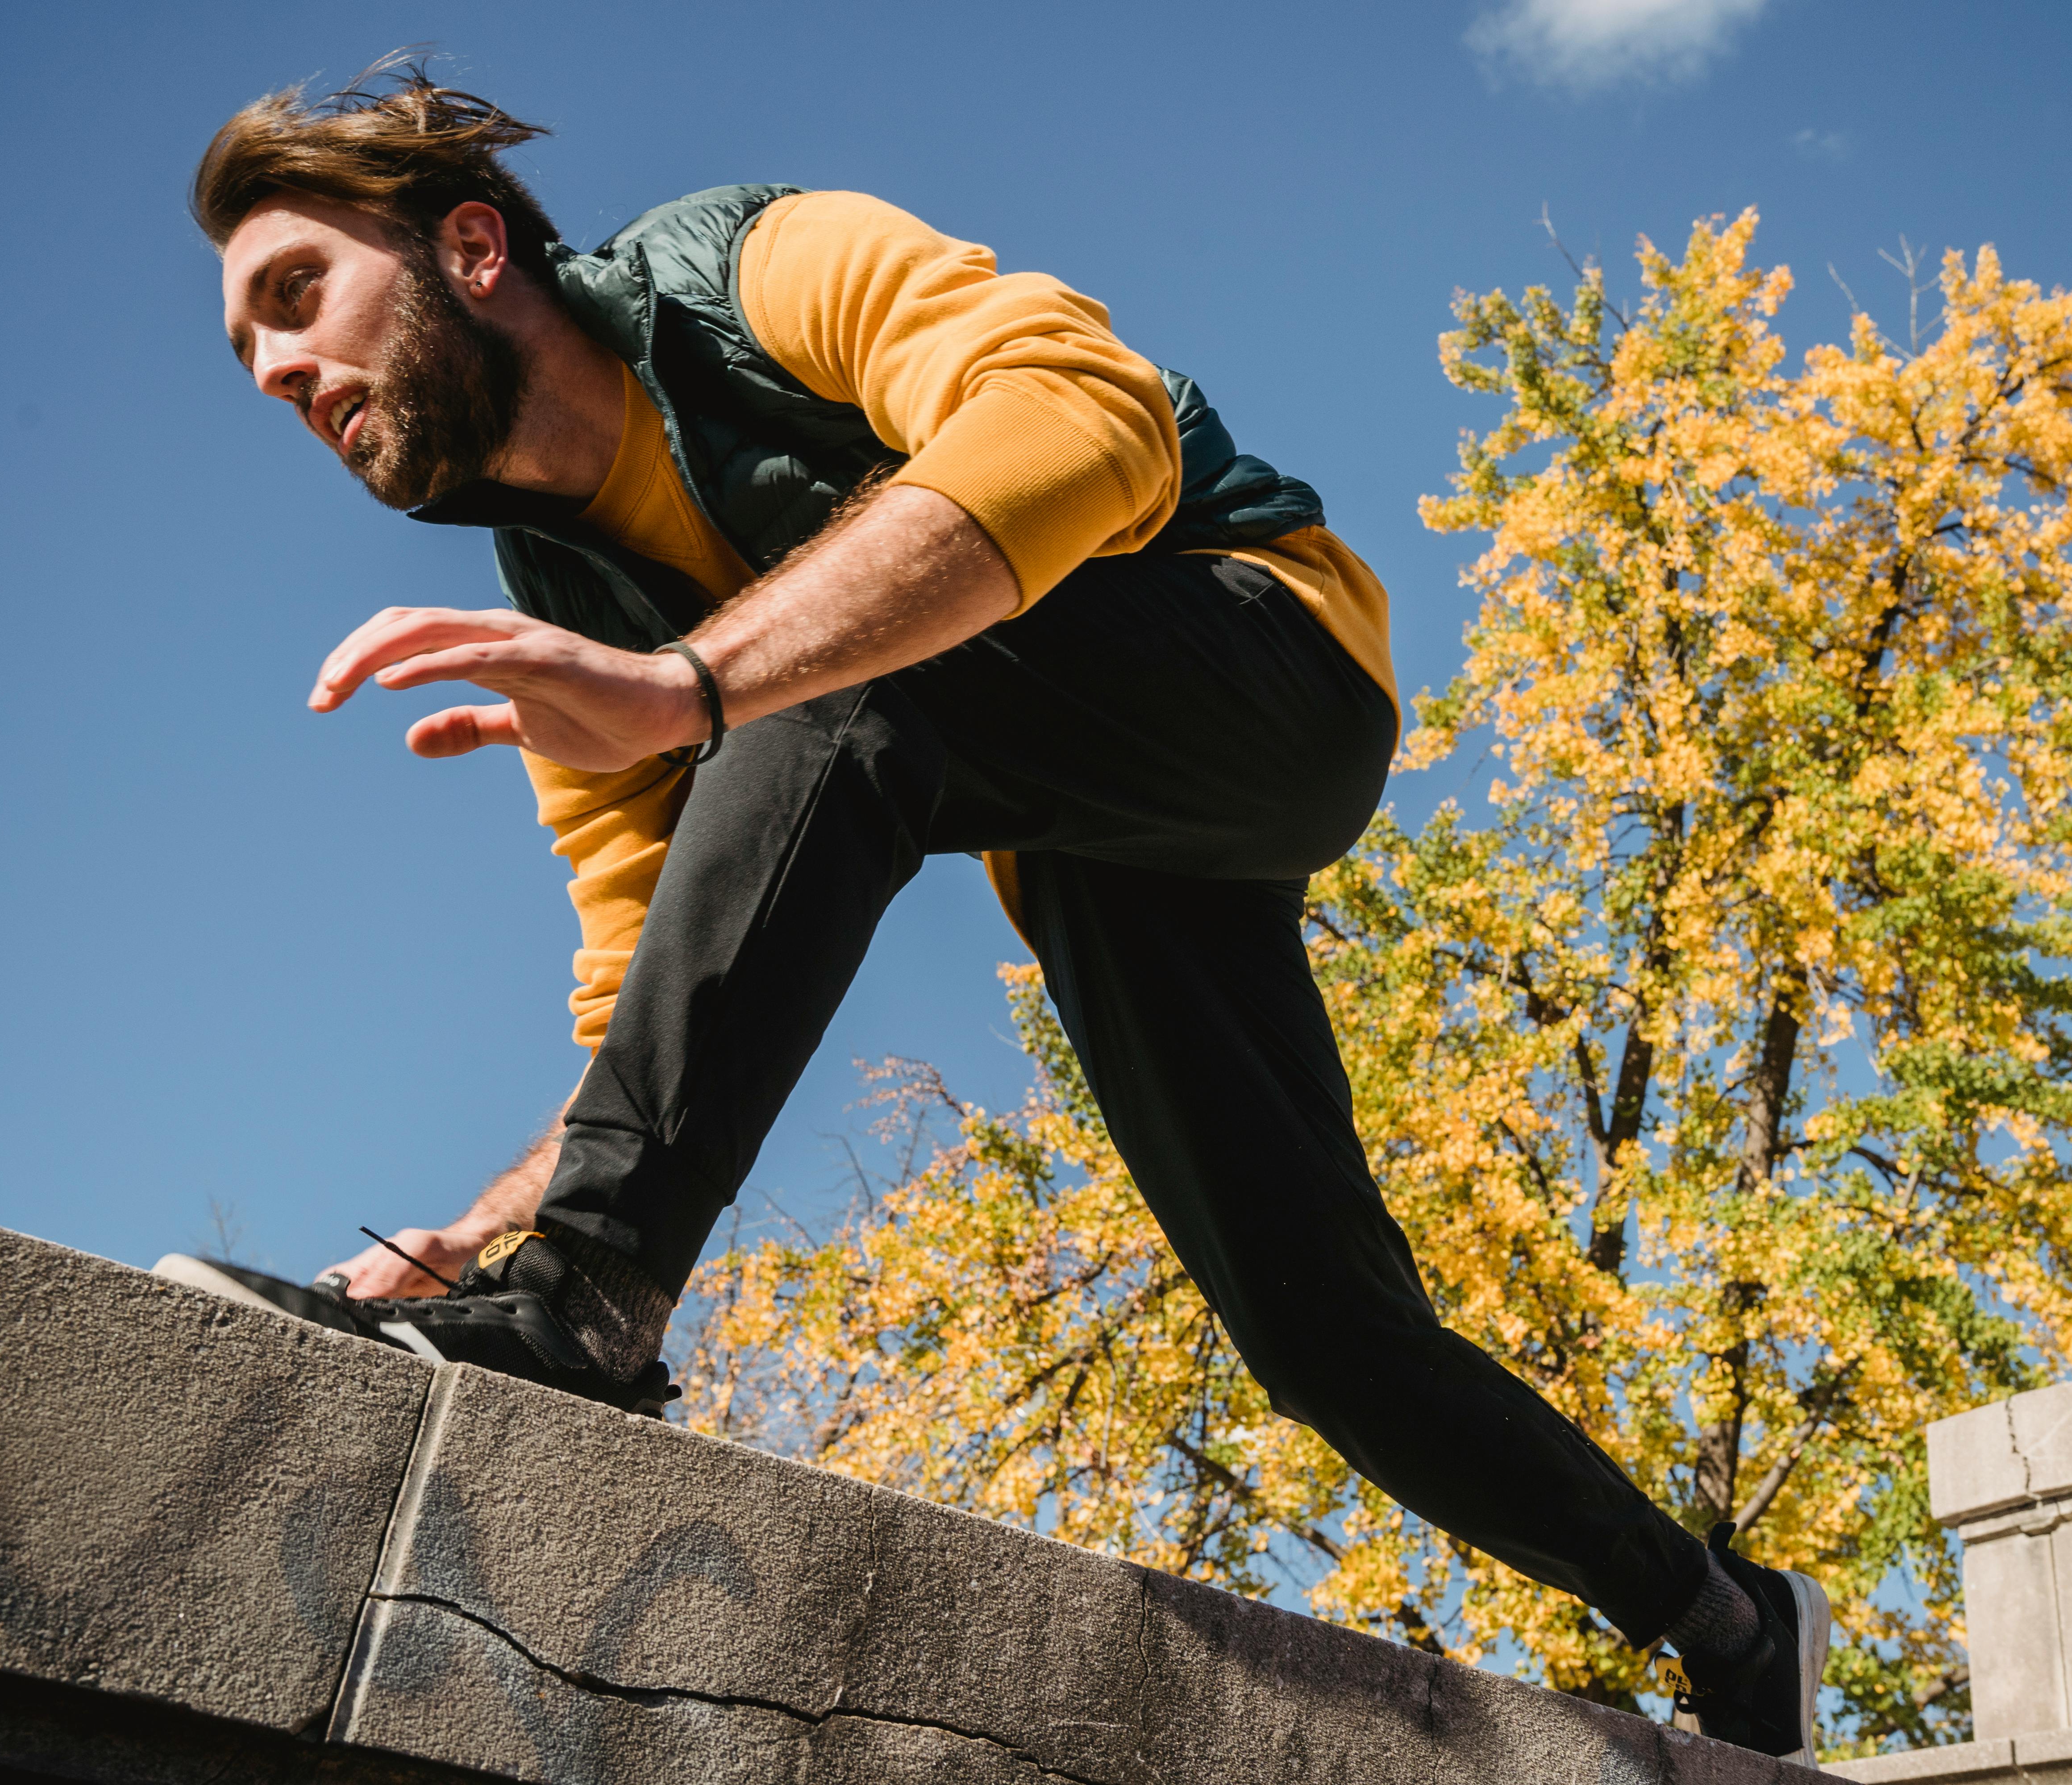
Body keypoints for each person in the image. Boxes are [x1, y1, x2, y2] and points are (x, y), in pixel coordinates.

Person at [182, 61, 1828, 1760]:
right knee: (1321, 1326)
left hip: (1257, 649)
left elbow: (1080, 407)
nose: (285, 369)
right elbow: (651, 1001)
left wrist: (694, 680)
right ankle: (1721, 1613)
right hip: (1101, 834)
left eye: (298, 297)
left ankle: (587, 1315)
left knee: (836, 681)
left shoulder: (742, 272)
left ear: (470, 248)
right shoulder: (564, 598)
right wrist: (489, 1222)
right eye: (250, 356)